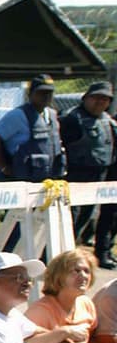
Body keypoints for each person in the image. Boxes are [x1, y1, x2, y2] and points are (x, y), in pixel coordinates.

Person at [25, 249, 117, 343]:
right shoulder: (41, 311)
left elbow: (91, 341)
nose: (83, 276)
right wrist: (63, 333)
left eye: (87, 271)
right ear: (59, 275)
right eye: (76, 271)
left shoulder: (85, 304)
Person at [60, 81, 116, 266]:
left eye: (105, 99)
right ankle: (59, 257)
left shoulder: (108, 121)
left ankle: (71, 255)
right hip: (76, 174)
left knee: (86, 217)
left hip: (99, 176)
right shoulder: (72, 118)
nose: (100, 102)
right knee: (70, 218)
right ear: (86, 98)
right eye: (96, 97)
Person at [0, 74, 64, 186]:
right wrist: (4, 167)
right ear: (30, 94)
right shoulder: (18, 115)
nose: (46, 96)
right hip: (19, 181)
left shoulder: (52, 116)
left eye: (49, 93)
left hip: (46, 182)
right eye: (41, 93)